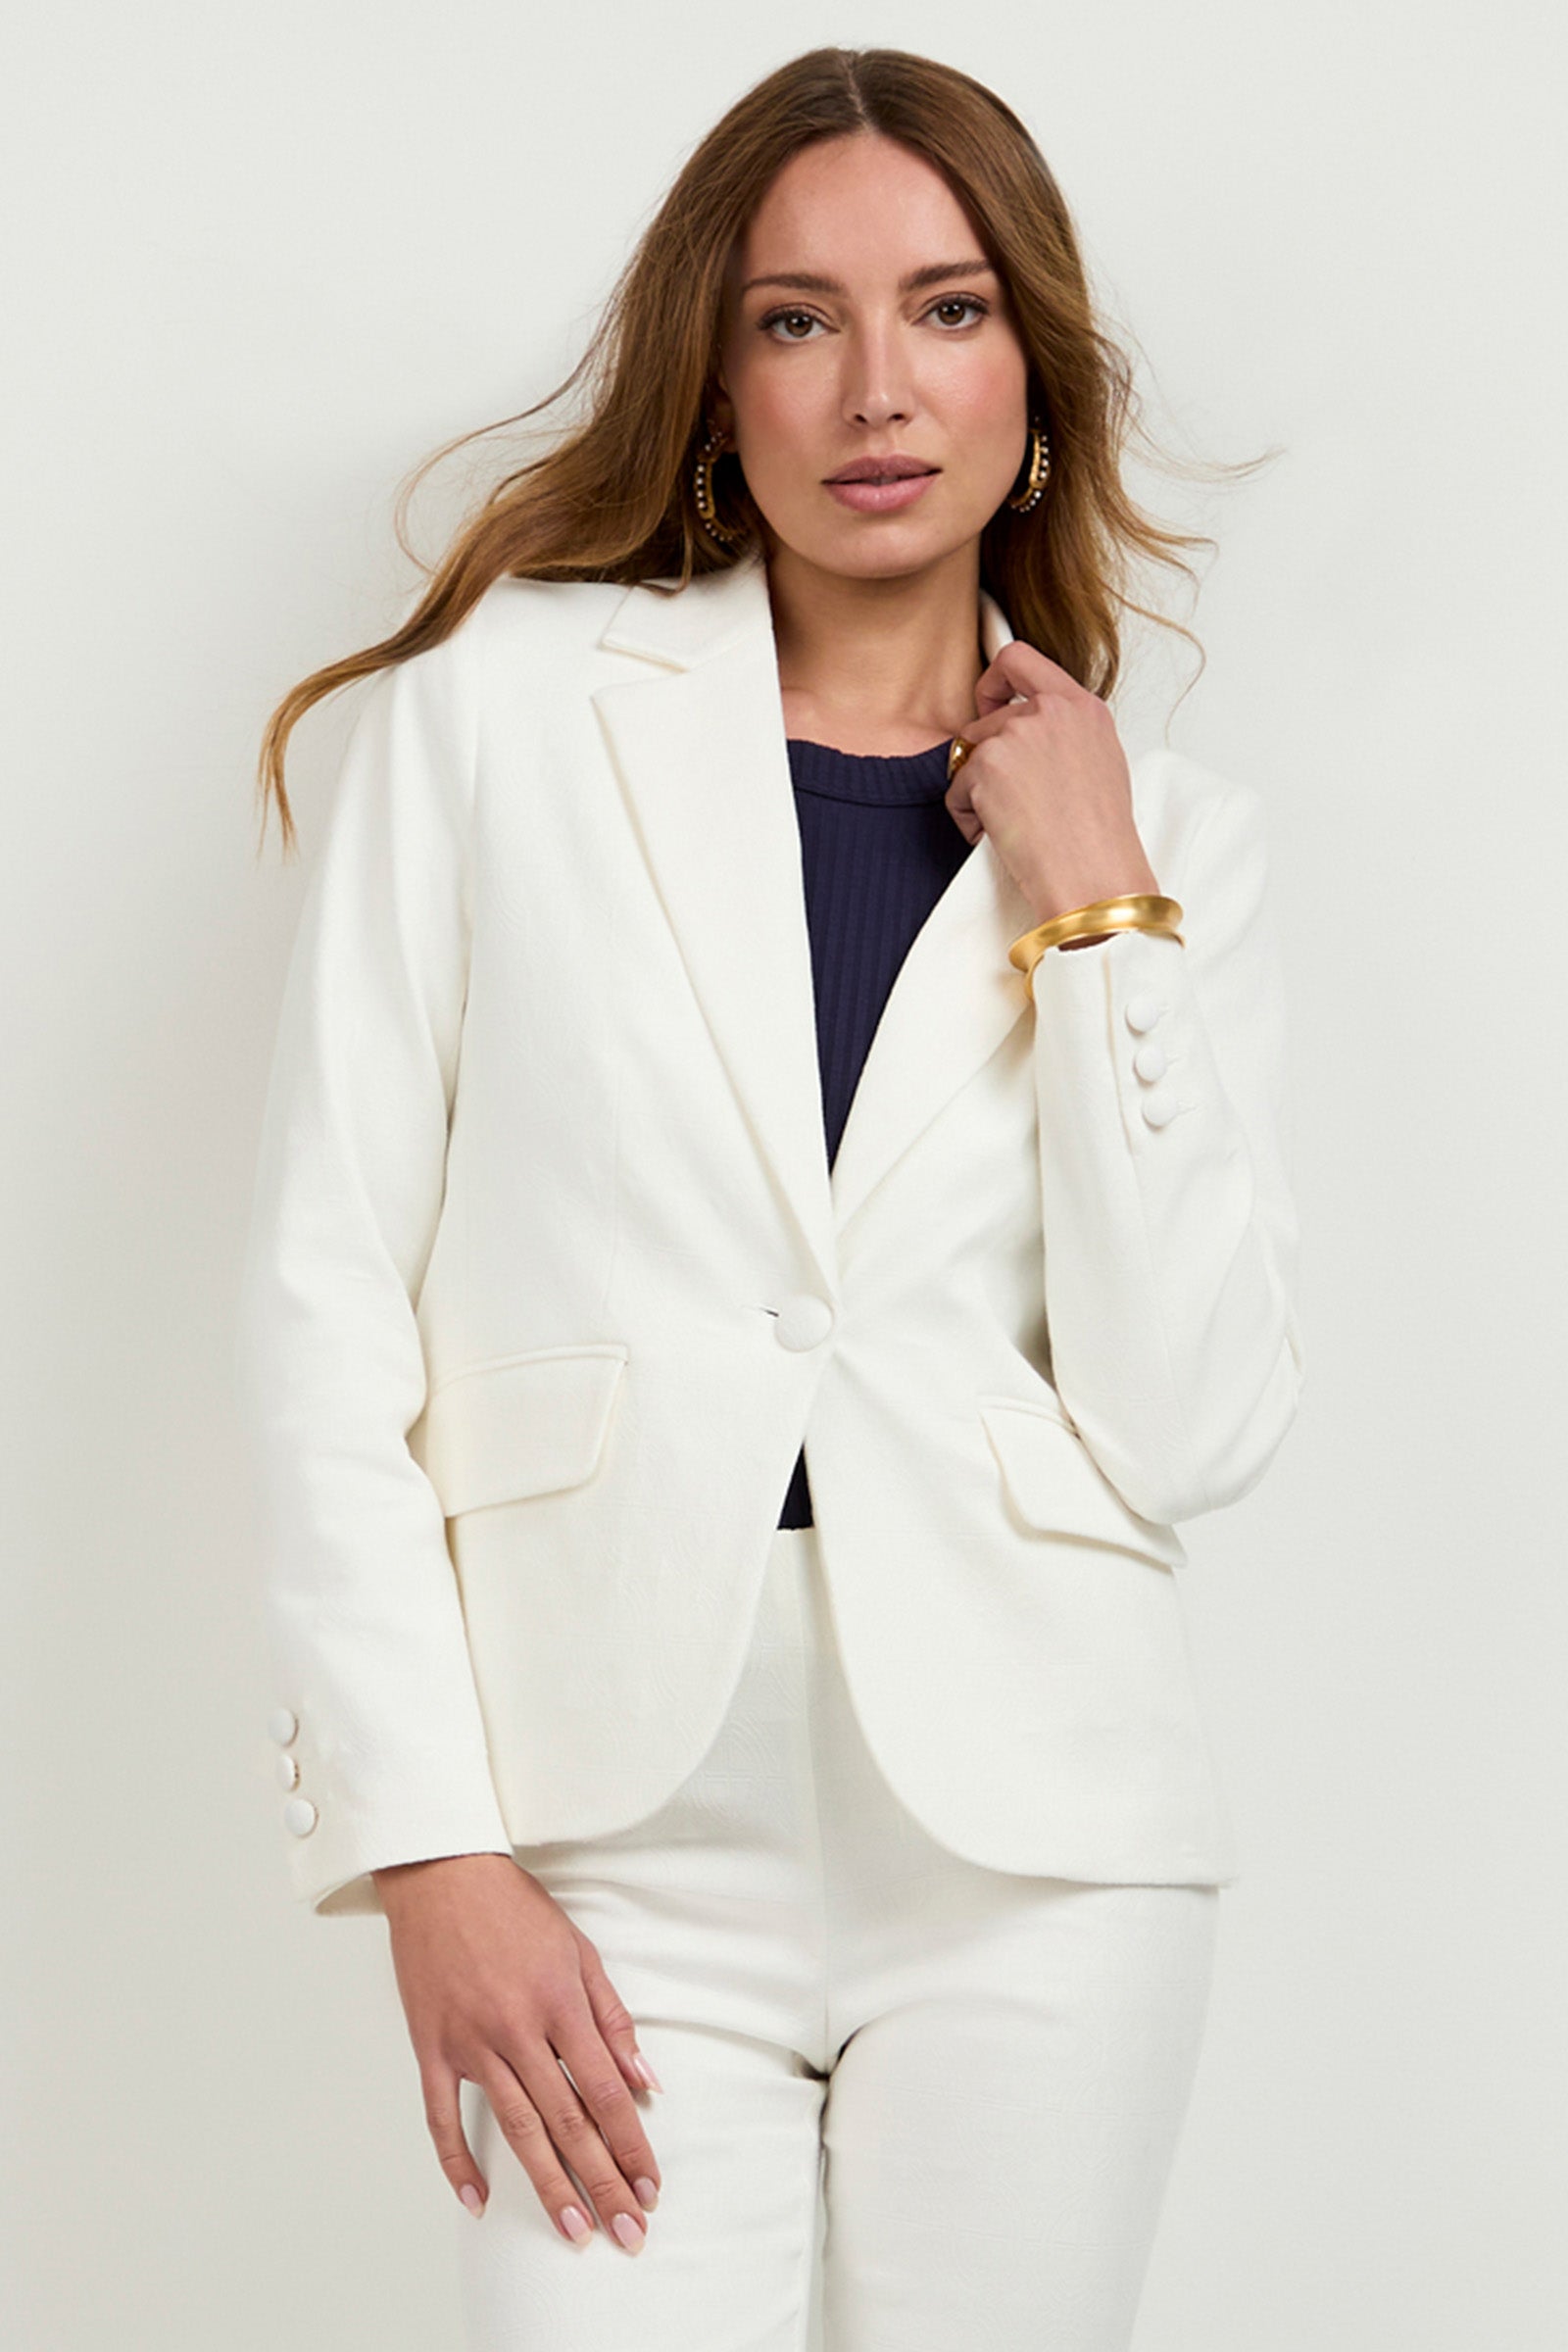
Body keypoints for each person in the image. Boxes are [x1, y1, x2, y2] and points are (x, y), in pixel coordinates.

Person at [235, 44, 1303, 2352]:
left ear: (1032, 370)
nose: (873, 388)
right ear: (713, 386)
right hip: (599, 1821)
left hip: (1041, 1846)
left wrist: (1094, 905)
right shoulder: (496, 723)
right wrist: (425, 1844)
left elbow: (1193, 1419)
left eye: (946, 309)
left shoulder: (1173, 847)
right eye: (793, 320)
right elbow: (324, 1300)